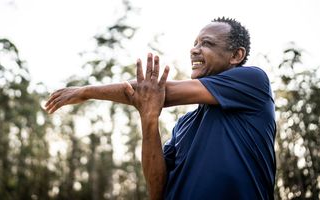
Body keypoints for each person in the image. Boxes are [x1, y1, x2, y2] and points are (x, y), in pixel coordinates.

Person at [45, 17, 276, 200]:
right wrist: (149, 119)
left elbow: (158, 92)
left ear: (236, 55)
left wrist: (86, 92)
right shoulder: (183, 125)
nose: (194, 50)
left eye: (207, 43)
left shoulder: (253, 82)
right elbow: (157, 191)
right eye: (195, 43)